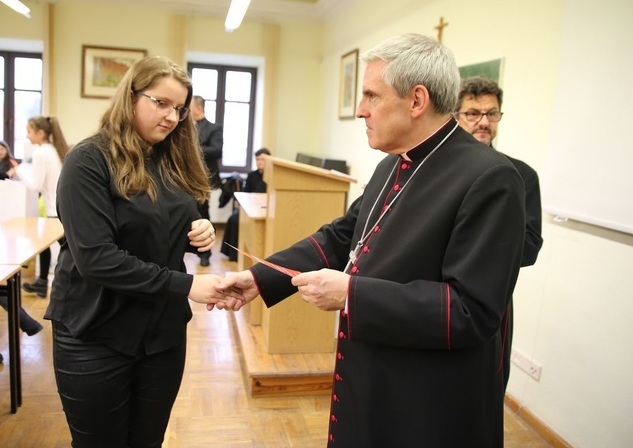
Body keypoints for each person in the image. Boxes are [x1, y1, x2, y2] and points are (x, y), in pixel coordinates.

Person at [218, 34, 526, 446]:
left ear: (416, 101)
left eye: (371, 96)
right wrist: (260, 278)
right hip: (372, 374)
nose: (361, 110)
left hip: (426, 397)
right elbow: (342, 236)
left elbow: (471, 311)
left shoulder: (490, 178)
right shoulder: (391, 165)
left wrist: (352, 294)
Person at [45, 55, 242, 447]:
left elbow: (167, 222)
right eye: (161, 103)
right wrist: (186, 286)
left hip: (160, 334)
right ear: (131, 97)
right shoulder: (88, 161)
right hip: (96, 330)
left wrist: (198, 230)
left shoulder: (170, 159)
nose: (171, 117)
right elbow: (97, 258)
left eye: (180, 109)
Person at [455, 75, 544, 386]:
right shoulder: (440, 171)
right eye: (473, 114)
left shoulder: (521, 175)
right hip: (434, 301)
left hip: (487, 300)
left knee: (481, 387)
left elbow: (529, 246)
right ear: (455, 115)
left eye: (491, 113)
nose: (484, 122)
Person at [14, 116, 68, 297]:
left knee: (65, 250)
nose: (27, 136)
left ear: (40, 133)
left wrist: (19, 170)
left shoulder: (40, 153)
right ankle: (42, 282)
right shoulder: (53, 150)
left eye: (29, 131)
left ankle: (46, 283)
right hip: (57, 207)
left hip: (53, 209)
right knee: (46, 245)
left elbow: (36, 185)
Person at [220, 147, 271, 261]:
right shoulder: (252, 175)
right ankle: (233, 254)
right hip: (250, 207)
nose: (260, 162)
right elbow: (246, 193)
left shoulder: (272, 177)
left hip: (264, 210)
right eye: (257, 159)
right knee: (234, 219)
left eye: (262, 159)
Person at [191, 95, 223, 266]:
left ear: (198, 107)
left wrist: (192, 149)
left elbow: (217, 150)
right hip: (185, 177)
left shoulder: (214, 128)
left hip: (204, 178)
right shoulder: (184, 127)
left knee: (203, 213)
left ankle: (205, 253)